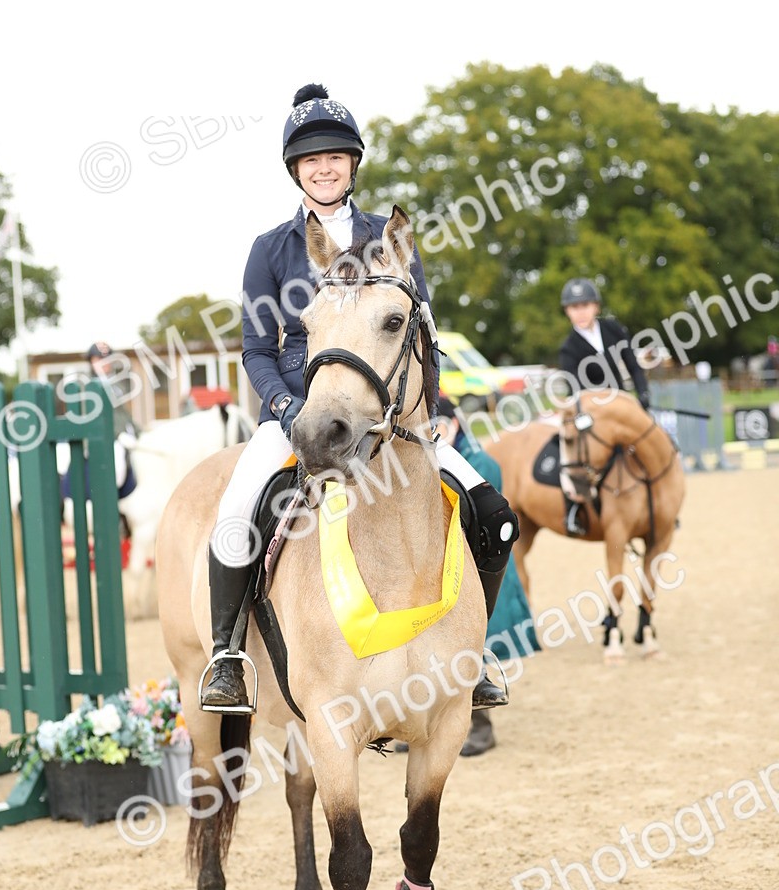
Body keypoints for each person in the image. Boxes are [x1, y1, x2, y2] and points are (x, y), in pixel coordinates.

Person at [201, 83, 518, 710]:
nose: (324, 168)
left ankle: (473, 653)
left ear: (352, 165)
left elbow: (421, 335)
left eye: (335, 157)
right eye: (311, 160)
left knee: (497, 515)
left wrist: (440, 411)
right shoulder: (271, 250)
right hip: (299, 411)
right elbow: (258, 351)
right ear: (296, 170)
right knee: (236, 517)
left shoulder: (390, 240)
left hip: (389, 421)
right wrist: (289, 411)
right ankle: (227, 655)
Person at [435, 397, 540, 756]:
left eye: (442, 425)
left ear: (455, 425)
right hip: (442, 568)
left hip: (478, 569)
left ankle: (480, 726)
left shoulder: (479, 463)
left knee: (471, 646)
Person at [557, 278, 651, 536]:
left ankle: (659, 501)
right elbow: (576, 389)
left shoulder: (614, 330)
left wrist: (643, 394)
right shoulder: (568, 348)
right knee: (571, 450)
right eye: (574, 307)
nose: (581, 311)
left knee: (651, 442)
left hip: (622, 404)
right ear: (568, 311)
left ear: (595, 306)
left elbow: (633, 366)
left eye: (585, 305)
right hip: (591, 412)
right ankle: (573, 509)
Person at [86, 341, 138, 496]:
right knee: (118, 465)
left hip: (124, 435)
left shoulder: (117, 385)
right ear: (92, 362)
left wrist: (139, 430)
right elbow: (97, 418)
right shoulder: (89, 387)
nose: (103, 364)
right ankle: (111, 499)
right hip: (106, 438)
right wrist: (118, 435)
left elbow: (123, 414)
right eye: (98, 360)